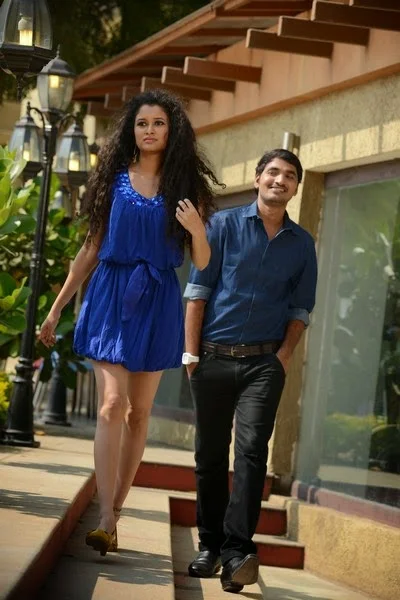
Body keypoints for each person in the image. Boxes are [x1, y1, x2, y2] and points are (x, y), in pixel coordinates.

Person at [39, 89, 223, 557]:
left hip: (158, 300)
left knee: (139, 413)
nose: (149, 130)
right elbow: (90, 249)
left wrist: (197, 230)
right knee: (111, 404)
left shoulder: (186, 188)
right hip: (111, 295)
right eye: (142, 123)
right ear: (131, 130)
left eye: (158, 123)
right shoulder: (113, 180)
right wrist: (57, 307)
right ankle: (104, 517)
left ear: (171, 131)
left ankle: (115, 512)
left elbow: (203, 262)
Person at [183, 149, 318, 593]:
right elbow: (198, 292)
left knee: (252, 454)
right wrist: (190, 356)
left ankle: (238, 552)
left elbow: (300, 308)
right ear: (258, 177)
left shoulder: (302, 245)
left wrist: (283, 356)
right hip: (212, 358)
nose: (280, 180)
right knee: (209, 455)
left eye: (289, 176)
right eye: (273, 172)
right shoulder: (222, 226)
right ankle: (209, 545)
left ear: (296, 188)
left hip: (264, 364)